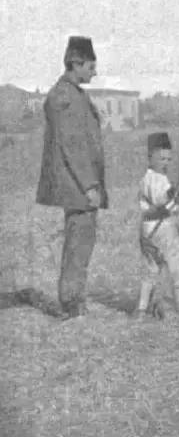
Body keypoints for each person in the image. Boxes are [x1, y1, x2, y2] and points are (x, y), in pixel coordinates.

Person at [35, 36, 108, 319]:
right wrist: (89, 184)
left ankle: (74, 301)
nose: (95, 72)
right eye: (91, 66)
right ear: (76, 63)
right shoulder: (64, 95)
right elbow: (73, 146)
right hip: (78, 185)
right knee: (79, 241)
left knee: (82, 240)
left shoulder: (72, 93)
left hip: (79, 184)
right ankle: (72, 304)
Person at [135, 132, 179, 319]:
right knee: (177, 269)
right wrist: (175, 192)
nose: (165, 163)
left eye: (168, 159)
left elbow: (175, 206)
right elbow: (162, 200)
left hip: (150, 232)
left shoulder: (160, 179)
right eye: (161, 158)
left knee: (150, 271)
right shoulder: (151, 179)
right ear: (150, 157)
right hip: (161, 231)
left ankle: (141, 309)